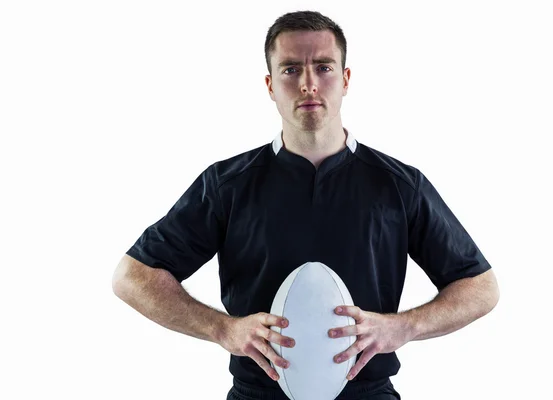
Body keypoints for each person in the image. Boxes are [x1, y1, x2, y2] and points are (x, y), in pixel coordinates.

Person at [112, 10, 500, 400]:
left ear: (346, 79)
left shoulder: (398, 185)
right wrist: (222, 328)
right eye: (291, 69)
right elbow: (133, 277)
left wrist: (404, 327)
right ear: (270, 85)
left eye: (324, 67)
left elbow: (480, 287)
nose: (309, 84)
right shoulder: (228, 185)